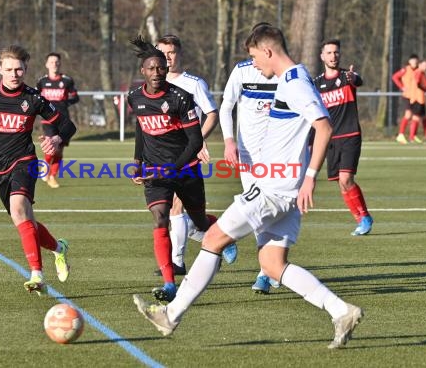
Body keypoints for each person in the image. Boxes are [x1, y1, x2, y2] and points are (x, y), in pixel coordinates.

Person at [133, 24, 364, 350]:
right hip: (283, 188)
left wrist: (310, 176)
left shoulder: (295, 82)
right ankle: (342, 311)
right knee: (272, 264)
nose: (255, 64)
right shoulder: (293, 79)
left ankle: (170, 315)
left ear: (268, 51)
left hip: (274, 189)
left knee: (213, 239)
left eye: (255, 57)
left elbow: (323, 127)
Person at [0, 45, 75, 296]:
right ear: (0, 69)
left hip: (25, 161)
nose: (14, 74)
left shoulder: (34, 98)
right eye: (9, 69)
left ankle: (37, 275)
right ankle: (59, 248)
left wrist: (56, 139)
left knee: (19, 209)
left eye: (19, 69)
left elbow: (68, 125)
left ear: (26, 69)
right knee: (24, 221)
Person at [128, 35, 216, 303]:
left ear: (166, 69)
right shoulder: (135, 97)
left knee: (199, 222)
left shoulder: (181, 97)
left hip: (185, 168)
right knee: (160, 218)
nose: (156, 73)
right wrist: (137, 161)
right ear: (143, 71)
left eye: (161, 68)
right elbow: (142, 129)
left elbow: (195, 141)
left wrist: (172, 169)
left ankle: (222, 232)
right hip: (155, 173)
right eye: (151, 68)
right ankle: (169, 283)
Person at [154, 34, 227, 276]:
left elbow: (212, 114)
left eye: (171, 52)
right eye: (162, 52)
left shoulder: (193, 83)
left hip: (186, 154)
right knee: (175, 212)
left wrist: (198, 141)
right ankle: (218, 236)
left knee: (175, 208)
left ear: (179, 54)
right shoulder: (154, 84)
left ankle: (177, 263)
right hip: (162, 155)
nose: (167, 57)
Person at [219, 23, 281, 294]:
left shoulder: (284, 74)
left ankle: (271, 267)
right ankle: (266, 271)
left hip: (280, 155)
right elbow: (226, 106)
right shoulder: (242, 71)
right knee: (258, 211)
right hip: (249, 156)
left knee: (275, 213)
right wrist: (229, 141)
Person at [314, 39, 373, 236]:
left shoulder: (347, 77)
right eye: (329, 53)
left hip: (350, 135)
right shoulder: (316, 84)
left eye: (336, 52)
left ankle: (364, 218)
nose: (333, 56)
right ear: (322, 56)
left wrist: (353, 77)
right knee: (341, 181)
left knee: (346, 177)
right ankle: (361, 219)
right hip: (331, 139)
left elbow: (358, 80)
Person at [36, 52, 79, 188]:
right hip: (48, 119)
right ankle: (45, 167)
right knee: (50, 147)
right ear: (47, 64)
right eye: (51, 62)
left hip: (63, 119)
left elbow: (75, 97)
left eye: (56, 62)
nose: (54, 64)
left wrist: (64, 102)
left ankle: (52, 177)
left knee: (59, 150)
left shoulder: (67, 80)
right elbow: (36, 98)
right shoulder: (41, 81)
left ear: (59, 64)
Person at [391, 54, 419, 144]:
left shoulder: (418, 71)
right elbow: (395, 77)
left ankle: (412, 136)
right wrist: (402, 87)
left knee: (415, 116)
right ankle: (400, 135)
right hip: (407, 96)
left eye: (416, 60)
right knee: (408, 115)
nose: (414, 62)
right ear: (409, 61)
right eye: (413, 60)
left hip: (416, 96)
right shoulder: (406, 69)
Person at [409, 59, 426, 142]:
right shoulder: (418, 72)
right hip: (416, 98)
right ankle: (412, 137)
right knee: (416, 117)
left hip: (421, 99)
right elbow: (418, 84)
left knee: (424, 117)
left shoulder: (423, 74)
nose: (425, 67)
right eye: (424, 65)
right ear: (419, 65)